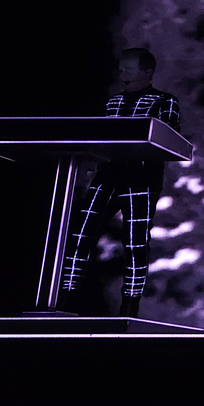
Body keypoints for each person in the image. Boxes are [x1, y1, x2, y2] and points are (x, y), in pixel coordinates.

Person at [61, 48, 180, 318]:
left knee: (136, 243)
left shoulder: (164, 101)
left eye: (129, 68)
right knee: (81, 234)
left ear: (147, 72)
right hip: (108, 174)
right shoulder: (113, 102)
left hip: (141, 177)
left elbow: (168, 138)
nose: (123, 73)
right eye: (121, 68)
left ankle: (130, 306)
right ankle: (67, 297)